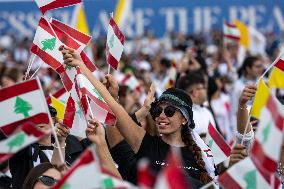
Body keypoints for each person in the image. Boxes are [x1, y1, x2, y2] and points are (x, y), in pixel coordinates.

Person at [60, 46, 215, 185]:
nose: (161, 115)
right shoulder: (147, 144)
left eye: (169, 111)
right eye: (157, 111)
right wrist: (83, 68)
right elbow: (116, 111)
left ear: (184, 119)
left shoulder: (200, 158)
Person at [9, 105, 90, 188]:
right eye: (34, 117)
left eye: (45, 116)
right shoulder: (21, 150)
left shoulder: (74, 145)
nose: (40, 121)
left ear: (54, 121)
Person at [176, 73, 216, 139]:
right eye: (203, 88)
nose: (206, 91)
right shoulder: (182, 115)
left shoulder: (207, 111)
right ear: (195, 92)